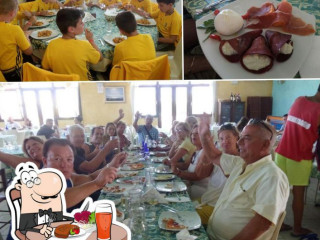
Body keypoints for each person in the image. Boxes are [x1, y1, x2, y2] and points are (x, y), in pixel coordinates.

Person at [199, 114, 289, 240]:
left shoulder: (272, 176)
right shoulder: (239, 163)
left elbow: (262, 224)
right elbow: (214, 156)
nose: (239, 142)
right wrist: (203, 136)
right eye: (240, 137)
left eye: (246, 138)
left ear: (265, 145)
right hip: (211, 234)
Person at [275, 85, 320, 237]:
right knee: (298, 194)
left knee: (278, 191)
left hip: (281, 152)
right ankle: (297, 229)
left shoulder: (299, 99)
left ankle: (277, 224)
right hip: (300, 158)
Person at [195, 123, 239, 225]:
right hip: (206, 199)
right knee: (181, 204)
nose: (225, 141)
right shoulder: (218, 157)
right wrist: (208, 147)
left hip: (218, 207)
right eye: (221, 138)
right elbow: (201, 174)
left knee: (184, 215)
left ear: (236, 138)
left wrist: (207, 144)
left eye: (228, 138)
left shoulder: (238, 160)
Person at [41, 8, 103, 80]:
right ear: (71, 29)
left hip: (60, 85)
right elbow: (100, 58)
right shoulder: (84, 45)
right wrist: (91, 40)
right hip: (80, 85)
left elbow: (45, 67)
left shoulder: (52, 44)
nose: (83, 24)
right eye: (81, 23)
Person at [171, 125, 211, 200]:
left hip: (201, 189)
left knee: (173, 193)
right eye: (192, 133)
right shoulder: (196, 150)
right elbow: (186, 165)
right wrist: (172, 164)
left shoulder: (206, 153)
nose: (193, 136)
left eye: (197, 133)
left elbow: (197, 176)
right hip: (192, 184)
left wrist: (178, 172)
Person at [0, 0, 33, 82]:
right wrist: (26, 36)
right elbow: (29, 51)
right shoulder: (14, 29)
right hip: (15, 71)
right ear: (12, 13)